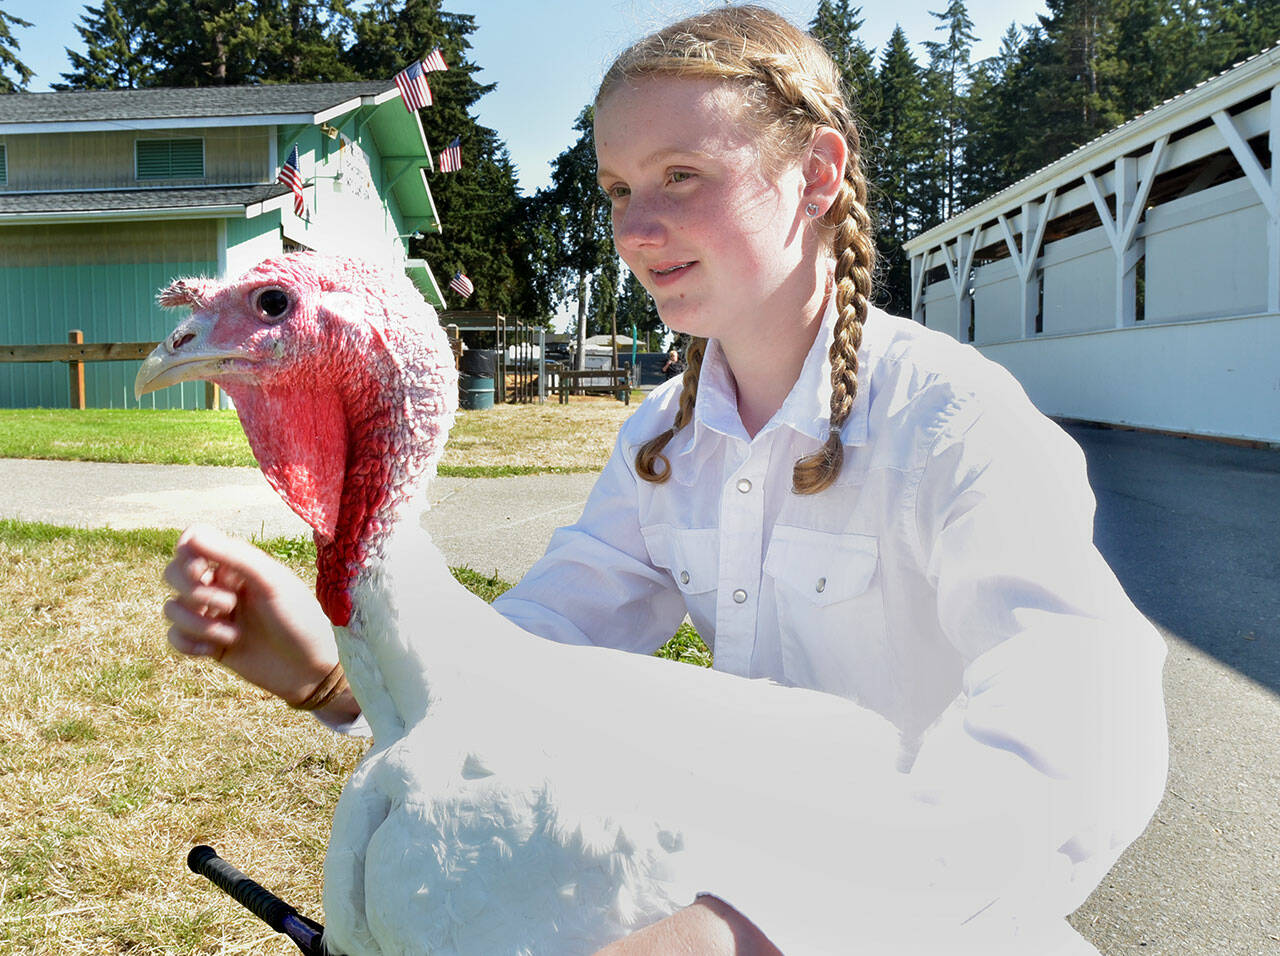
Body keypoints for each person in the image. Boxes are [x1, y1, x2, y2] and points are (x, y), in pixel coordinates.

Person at [162, 6, 1168, 953]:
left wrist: (744, 928)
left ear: (816, 173)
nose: (635, 229)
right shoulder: (664, 439)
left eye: (681, 174)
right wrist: (334, 677)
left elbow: (1083, 741)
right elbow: (517, 671)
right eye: (615, 189)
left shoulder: (952, 421)